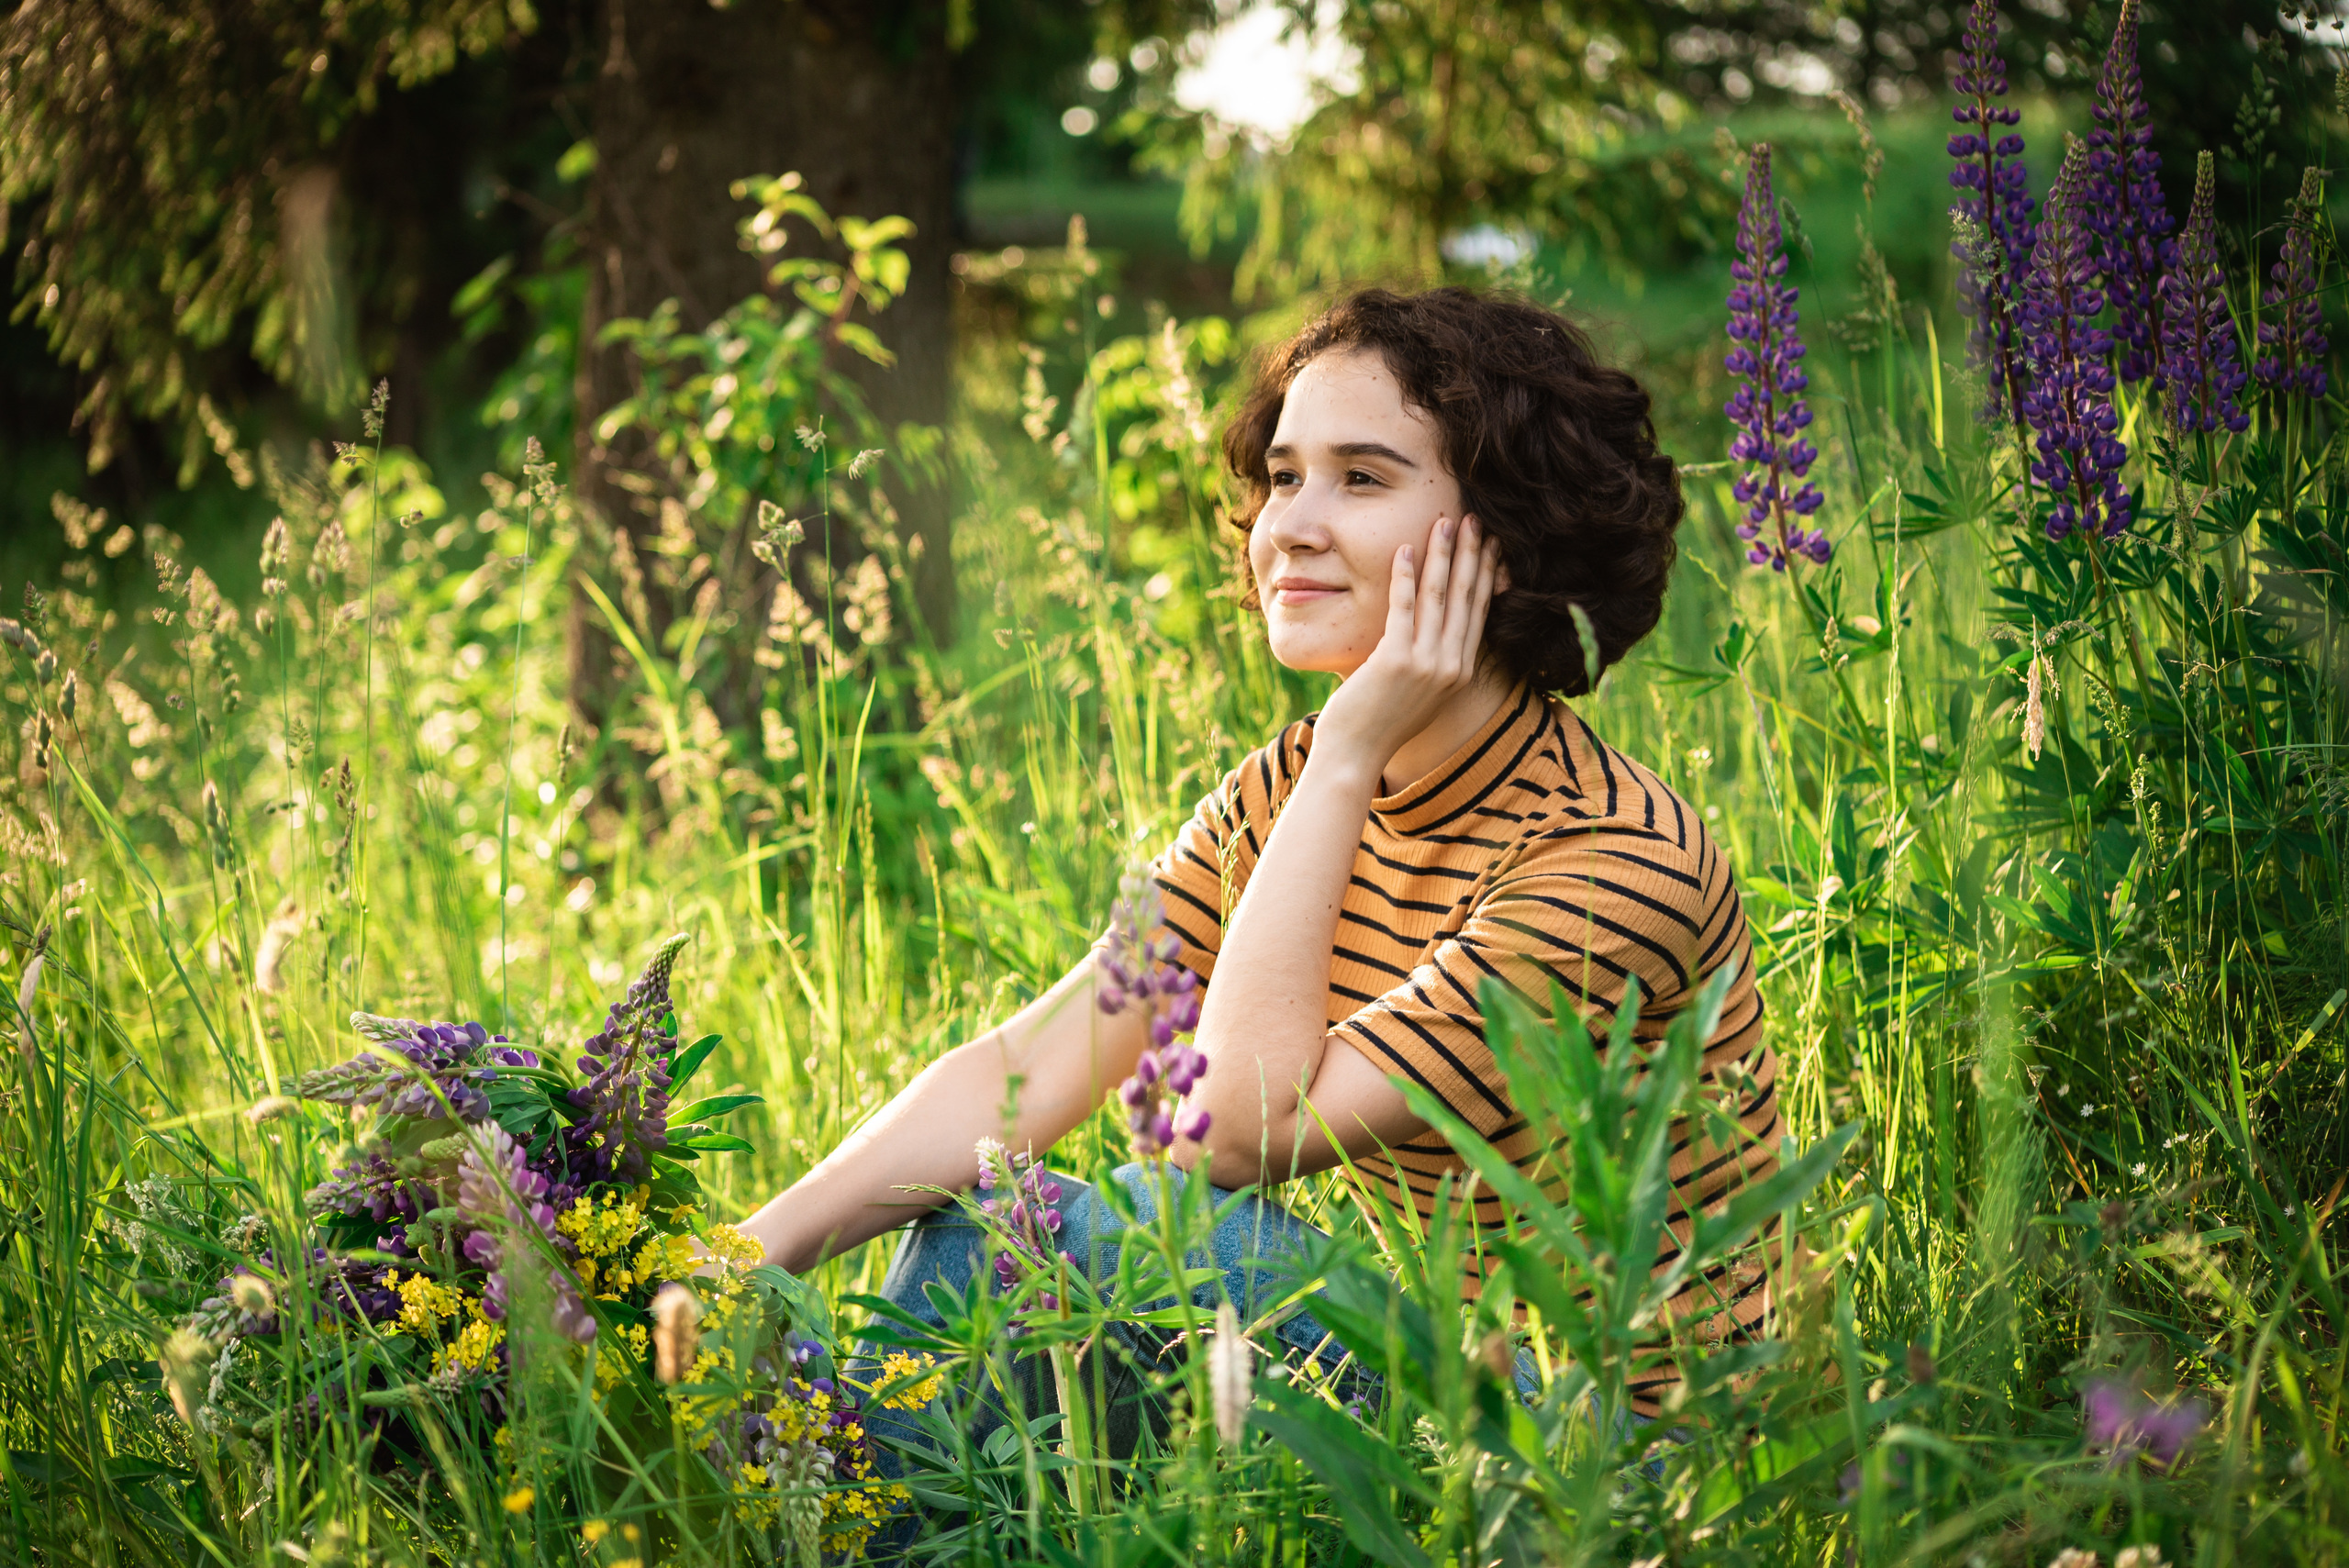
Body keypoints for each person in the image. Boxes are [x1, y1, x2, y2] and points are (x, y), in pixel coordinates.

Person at [733, 285, 1778, 1429]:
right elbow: (1024, 1068)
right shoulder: (1288, 786)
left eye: (1362, 477)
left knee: (1125, 1220)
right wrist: (734, 1262)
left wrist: (1345, 756)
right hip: (1450, 1384)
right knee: (994, 1219)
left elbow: (1230, 1134)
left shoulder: (1610, 863)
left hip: (1631, 1460)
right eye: (1284, 475)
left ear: (1505, 535)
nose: (1287, 524)